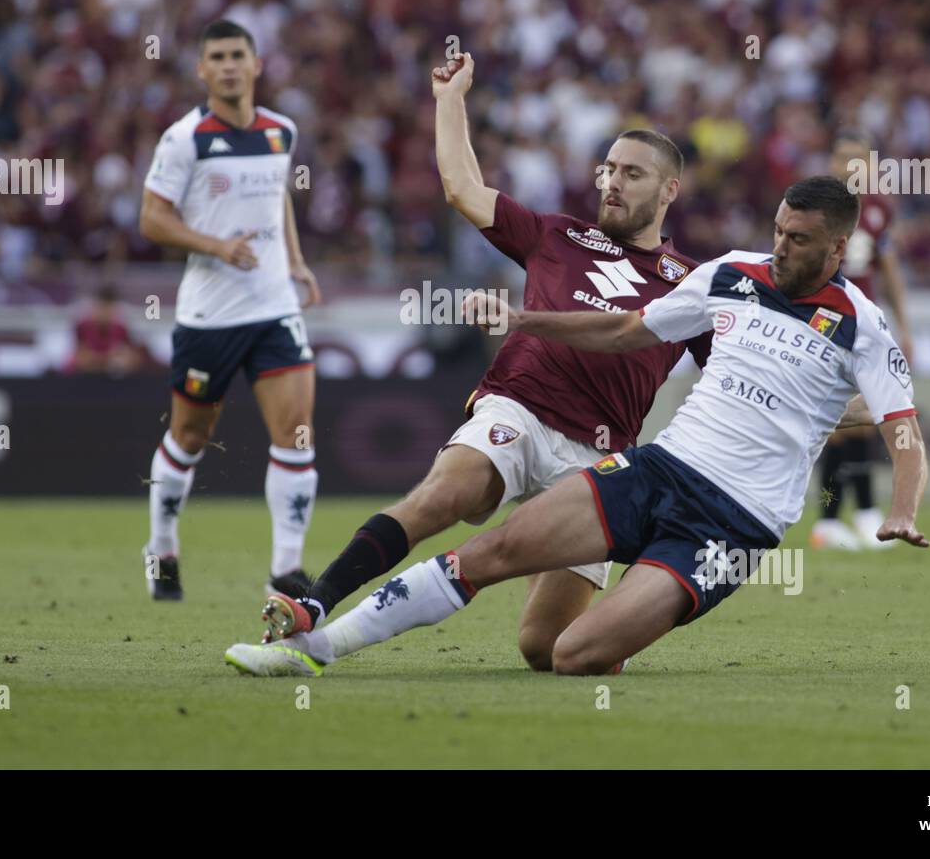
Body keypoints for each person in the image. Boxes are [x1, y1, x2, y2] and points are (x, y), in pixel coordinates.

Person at [225, 173, 922, 677]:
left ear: (836, 250)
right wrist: (525, 318)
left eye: (798, 241)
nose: (780, 249)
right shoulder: (731, 274)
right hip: (660, 469)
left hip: (735, 525)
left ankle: (630, 615)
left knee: (568, 655)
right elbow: (624, 329)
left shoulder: (862, 325)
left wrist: (900, 509)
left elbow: (904, 430)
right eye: (777, 231)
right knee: (492, 552)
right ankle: (320, 646)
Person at [258, 50, 713, 670]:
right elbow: (462, 188)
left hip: (598, 456)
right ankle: (314, 603)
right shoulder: (557, 234)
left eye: (631, 173)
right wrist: (451, 99)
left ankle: (629, 609)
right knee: (444, 495)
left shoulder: (692, 284)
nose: (611, 182)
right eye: (606, 168)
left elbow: (738, 373)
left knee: (546, 649)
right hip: (519, 408)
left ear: (669, 190)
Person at [138, 18, 322, 601]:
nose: (228, 65)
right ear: (202, 69)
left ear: (256, 63)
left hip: (272, 307)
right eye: (216, 56)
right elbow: (151, 218)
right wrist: (218, 246)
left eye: (237, 54)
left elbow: (277, 200)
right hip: (208, 318)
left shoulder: (280, 132)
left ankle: (285, 570)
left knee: (295, 434)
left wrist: (294, 260)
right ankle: (161, 547)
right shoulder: (184, 138)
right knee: (190, 436)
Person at [812, 129, 913, 550]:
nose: (850, 166)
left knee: (864, 418)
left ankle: (865, 512)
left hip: (864, 324)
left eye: (859, 159)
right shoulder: (813, 205)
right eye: (843, 157)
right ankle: (829, 518)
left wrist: (904, 325)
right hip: (822, 320)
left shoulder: (877, 210)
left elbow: (887, 267)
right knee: (834, 423)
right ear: (831, 162)